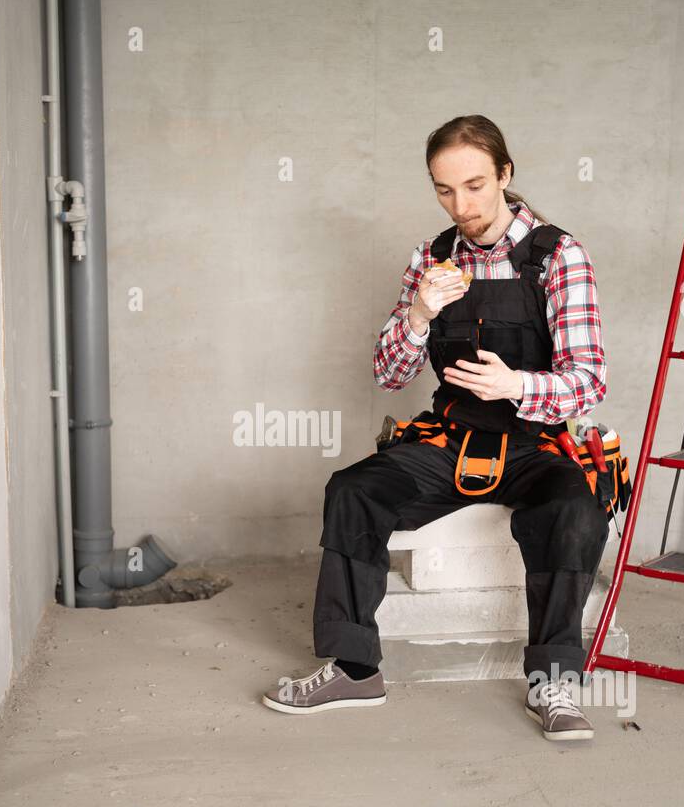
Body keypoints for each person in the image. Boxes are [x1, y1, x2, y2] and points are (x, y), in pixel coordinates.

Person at [261, 115, 609, 741]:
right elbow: (389, 374)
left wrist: (518, 385)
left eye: (475, 186)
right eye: (445, 190)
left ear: (505, 174)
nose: (462, 205)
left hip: (535, 442)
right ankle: (355, 668)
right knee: (353, 490)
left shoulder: (558, 255)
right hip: (450, 439)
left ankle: (552, 680)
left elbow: (589, 380)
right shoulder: (432, 257)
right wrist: (420, 311)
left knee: (574, 511)